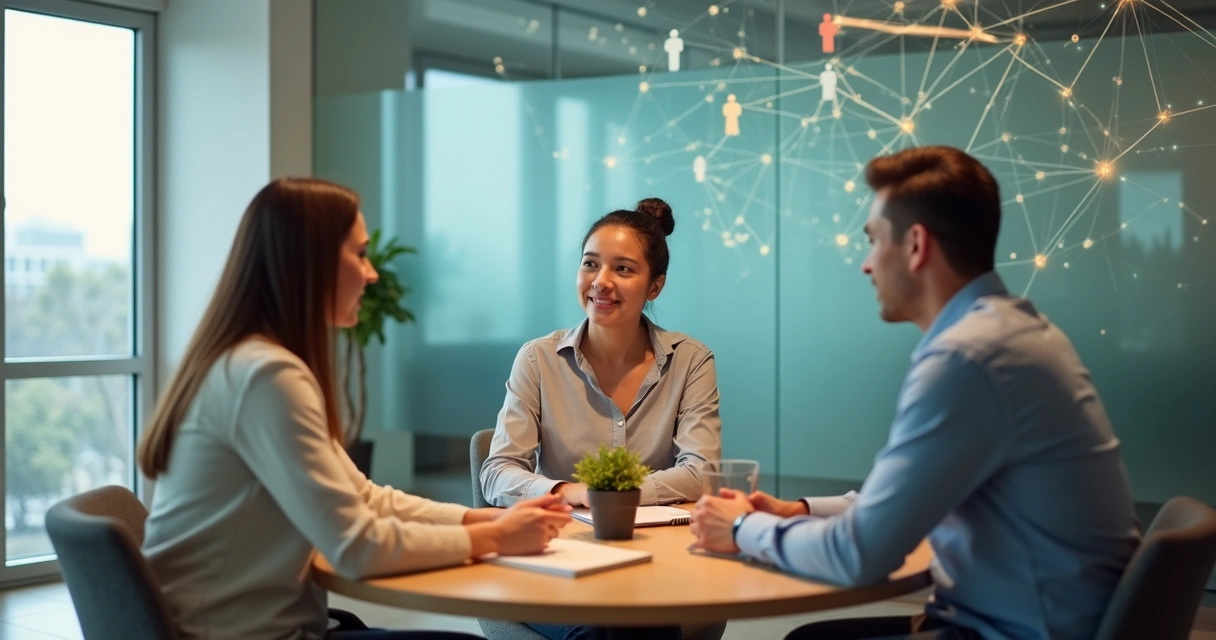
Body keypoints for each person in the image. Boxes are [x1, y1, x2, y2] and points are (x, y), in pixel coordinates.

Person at [691, 146, 1140, 640]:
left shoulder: (967, 359)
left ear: (916, 245)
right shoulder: (1012, 333)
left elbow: (857, 555)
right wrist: (799, 511)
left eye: (873, 240)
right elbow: (898, 502)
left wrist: (741, 529)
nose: (866, 265)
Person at [138, 178, 572, 640]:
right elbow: (357, 547)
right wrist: (496, 537)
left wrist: (482, 518)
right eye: (360, 254)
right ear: (312, 261)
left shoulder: (244, 362)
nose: (372, 273)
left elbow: (364, 498)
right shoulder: (265, 377)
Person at [481, 197, 723, 640]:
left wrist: (612, 498)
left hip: (657, 558)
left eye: (623, 269)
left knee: (638, 615)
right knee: (611, 622)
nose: (601, 282)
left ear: (655, 287)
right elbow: (497, 472)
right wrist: (570, 493)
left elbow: (702, 472)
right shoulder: (538, 360)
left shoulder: (690, 361)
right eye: (590, 264)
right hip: (559, 559)